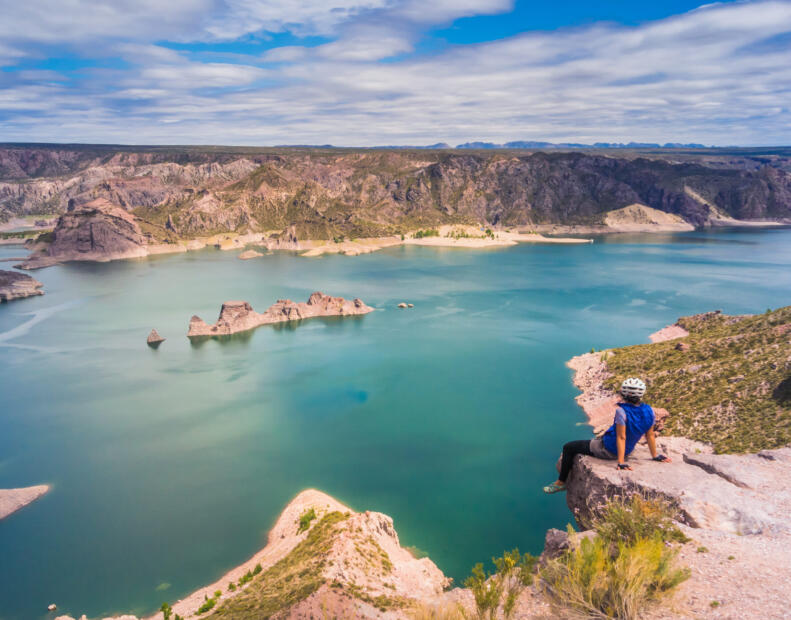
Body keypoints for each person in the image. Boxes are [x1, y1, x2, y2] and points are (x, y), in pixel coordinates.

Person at [543, 377, 671, 494]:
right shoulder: (649, 410)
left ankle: (560, 483)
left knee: (569, 447)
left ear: (625, 394)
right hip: (628, 449)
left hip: (609, 449)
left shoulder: (622, 411)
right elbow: (650, 435)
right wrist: (655, 456)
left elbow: (621, 437)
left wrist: (621, 462)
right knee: (590, 441)